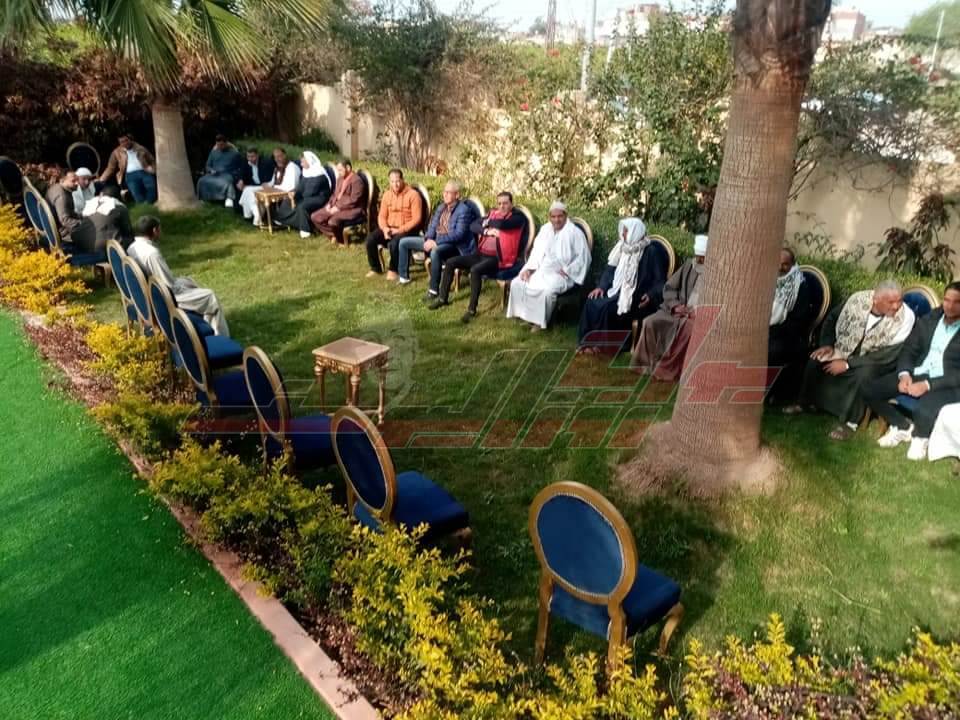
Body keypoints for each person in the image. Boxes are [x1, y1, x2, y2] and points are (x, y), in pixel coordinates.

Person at [785, 280, 916, 441]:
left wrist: (848, 364)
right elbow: (832, 319)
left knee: (864, 374)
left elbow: (888, 354)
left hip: (877, 361)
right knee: (817, 358)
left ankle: (850, 422)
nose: (896, 306)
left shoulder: (906, 317)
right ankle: (805, 402)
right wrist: (827, 345)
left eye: (899, 301)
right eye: (891, 302)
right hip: (844, 349)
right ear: (876, 299)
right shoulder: (857, 300)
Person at [864, 283, 960, 460]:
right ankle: (903, 427)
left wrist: (928, 385)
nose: (950, 306)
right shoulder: (931, 318)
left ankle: (920, 437)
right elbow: (910, 349)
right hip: (920, 371)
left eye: (956, 302)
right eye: (947, 300)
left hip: (947, 382)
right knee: (870, 389)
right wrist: (905, 374)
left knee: (925, 408)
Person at [428, 191, 527, 323]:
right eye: (499, 203)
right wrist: (486, 230)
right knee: (451, 262)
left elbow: (503, 225)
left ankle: (471, 310)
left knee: (475, 270)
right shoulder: (493, 213)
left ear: (511, 204)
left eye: (505, 203)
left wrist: (487, 222)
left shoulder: (518, 218)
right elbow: (473, 226)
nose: (502, 206)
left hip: (499, 259)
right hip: (480, 254)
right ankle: (442, 299)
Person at [577, 217, 669, 355]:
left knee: (608, 308)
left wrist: (650, 295)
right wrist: (601, 287)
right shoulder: (622, 248)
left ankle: (603, 347)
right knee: (592, 301)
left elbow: (660, 281)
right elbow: (610, 270)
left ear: (635, 232)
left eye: (626, 231)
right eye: (624, 231)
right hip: (616, 290)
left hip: (636, 296)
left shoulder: (651, 251)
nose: (623, 234)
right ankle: (586, 343)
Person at [127, 216, 230, 336]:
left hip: (149, 293)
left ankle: (207, 324)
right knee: (210, 296)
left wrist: (186, 282)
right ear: (155, 230)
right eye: (160, 229)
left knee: (188, 281)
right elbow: (169, 286)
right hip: (163, 297)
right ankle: (220, 336)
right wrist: (185, 287)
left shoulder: (131, 247)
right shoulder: (151, 254)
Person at [630, 234, 708, 379]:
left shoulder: (717, 274)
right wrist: (675, 306)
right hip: (676, 310)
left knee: (686, 331)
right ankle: (643, 365)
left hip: (696, 317)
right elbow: (669, 287)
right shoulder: (689, 265)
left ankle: (665, 370)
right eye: (698, 257)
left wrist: (697, 312)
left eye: (702, 258)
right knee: (650, 322)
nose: (699, 260)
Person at [767, 248, 816, 403]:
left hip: (788, 334)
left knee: (771, 350)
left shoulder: (799, 286)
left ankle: (767, 393)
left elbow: (798, 320)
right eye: (777, 262)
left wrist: (772, 330)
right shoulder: (768, 277)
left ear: (793, 264)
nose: (780, 267)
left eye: (785, 264)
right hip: (766, 328)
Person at [365, 169, 423, 279]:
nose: (395, 184)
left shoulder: (413, 195)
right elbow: (382, 216)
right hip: (389, 228)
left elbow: (417, 219)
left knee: (394, 243)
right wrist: (385, 228)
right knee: (370, 240)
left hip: (407, 229)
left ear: (402, 180)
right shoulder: (387, 195)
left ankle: (393, 270)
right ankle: (375, 268)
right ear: (389, 182)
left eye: (397, 181)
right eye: (392, 181)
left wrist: (400, 230)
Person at [273, 151, 331, 237]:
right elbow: (301, 187)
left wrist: (297, 196)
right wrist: (293, 193)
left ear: (309, 161)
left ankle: (305, 230)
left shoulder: (319, 174)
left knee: (302, 205)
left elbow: (311, 192)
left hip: (318, 198)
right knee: (287, 200)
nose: (301, 164)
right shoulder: (306, 172)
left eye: (303, 162)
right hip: (307, 196)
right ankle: (283, 220)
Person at [238, 147, 301, 226]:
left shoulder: (292, 167)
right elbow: (273, 181)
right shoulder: (278, 167)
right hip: (274, 189)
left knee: (255, 193)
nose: (277, 159)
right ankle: (250, 215)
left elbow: (292, 186)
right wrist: (267, 184)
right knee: (248, 190)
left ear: (285, 155)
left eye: (279, 156)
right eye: (275, 157)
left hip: (284, 192)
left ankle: (257, 217)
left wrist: (272, 188)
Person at [309, 159, 365, 245]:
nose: (338, 172)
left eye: (340, 170)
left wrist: (338, 207)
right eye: (338, 170)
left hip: (352, 209)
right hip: (335, 205)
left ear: (348, 168)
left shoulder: (357, 181)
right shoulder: (340, 179)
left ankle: (341, 241)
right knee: (315, 216)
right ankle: (334, 235)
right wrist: (329, 204)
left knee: (332, 221)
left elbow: (354, 200)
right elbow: (335, 194)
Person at [45, 171, 98, 253]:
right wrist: (84, 224)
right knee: (98, 233)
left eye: (77, 180)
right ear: (62, 180)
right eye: (73, 181)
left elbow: (68, 213)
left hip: (58, 228)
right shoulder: (62, 196)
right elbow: (65, 220)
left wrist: (82, 216)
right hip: (63, 234)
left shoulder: (57, 187)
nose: (77, 183)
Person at [99, 133, 157, 204]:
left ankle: (147, 204)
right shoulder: (117, 152)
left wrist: (153, 169)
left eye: (126, 140)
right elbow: (110, 167)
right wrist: (102, 179)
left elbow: (151, 160)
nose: (124, 143)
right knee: (136, 194)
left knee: (152, 189)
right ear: (119, 143)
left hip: (144, 171)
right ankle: (144, 206)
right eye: (122, 142)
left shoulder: (140, 148)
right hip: (130, 175)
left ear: (130, 140)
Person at [196, 135, 244, 206]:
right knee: (201, 180)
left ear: (226, 143)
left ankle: (229, 198)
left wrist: (237, 175)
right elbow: (208, 165)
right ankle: (204, 198)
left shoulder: (234, 154)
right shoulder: (213, 153)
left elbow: (241, 167)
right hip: (214, 174)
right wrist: (211, 170)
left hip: (228, 174)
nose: (219, 147)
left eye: (221, 145)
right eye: (218, 145)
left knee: (227, 182)